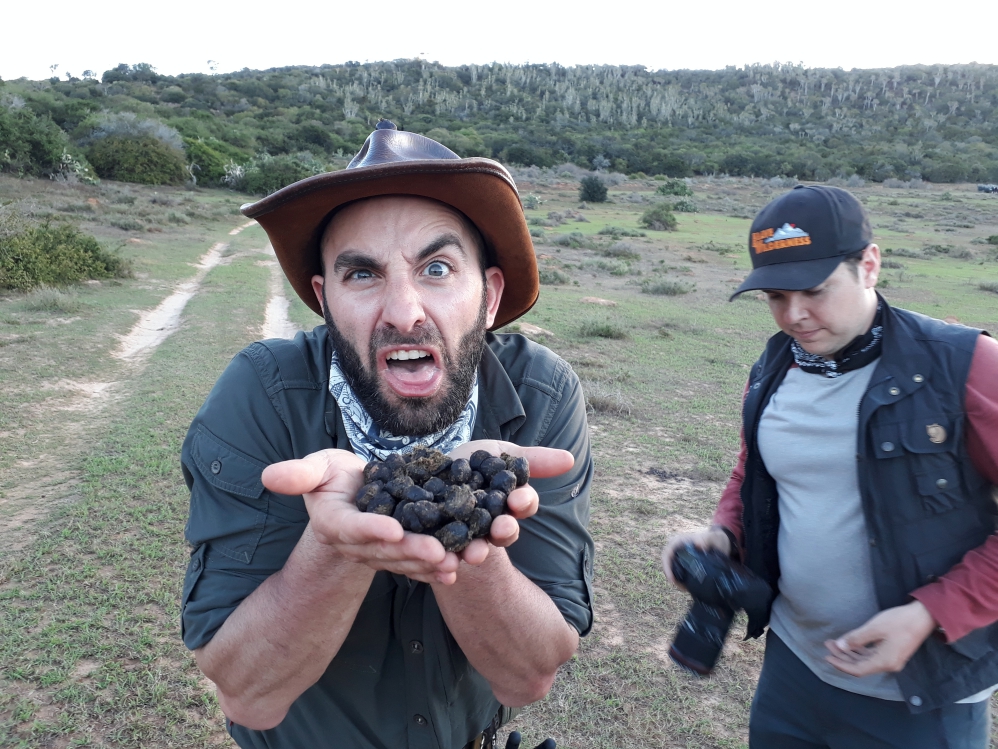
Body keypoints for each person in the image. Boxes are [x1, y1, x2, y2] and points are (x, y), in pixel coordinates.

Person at [180, 120, 595, 749]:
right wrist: (334, 546)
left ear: (489, 295)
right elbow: (249, 695)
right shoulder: (260, 395)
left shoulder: (541, 395)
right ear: (324, 300)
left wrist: (471, 530)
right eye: (363, 275)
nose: (404, 313)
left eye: (436, 267)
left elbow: (528, 676)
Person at [662, 185, 998, 748]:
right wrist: (722, 532)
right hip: (794, 672)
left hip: (920, 700)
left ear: (869, 264)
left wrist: (929, 614)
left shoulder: (965, 365)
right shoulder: (773, 365)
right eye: (775, 296)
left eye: (815, 290)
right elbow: (754, 473)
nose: (794, 315)